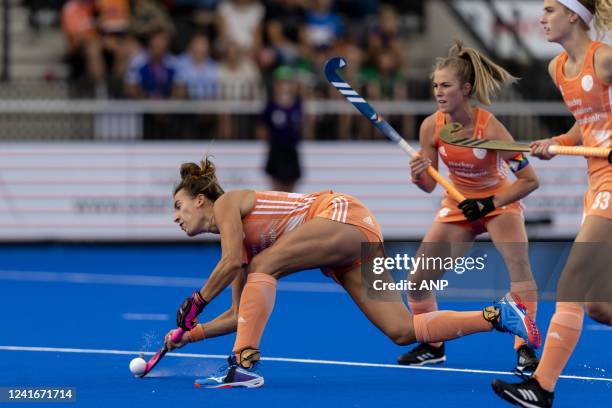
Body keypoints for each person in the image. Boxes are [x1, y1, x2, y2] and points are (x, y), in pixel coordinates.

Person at [162, 157, 539, 388]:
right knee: (402, 331)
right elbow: (239, 315)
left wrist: (197, 300)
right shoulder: (243, 249)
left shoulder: (227, 203)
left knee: (265, 264)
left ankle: (243, 366)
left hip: (341, 216)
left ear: (200, 200)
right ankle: (499, 315)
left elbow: (228, 263)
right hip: (351, 242)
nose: (176, 217)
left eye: (179, 207)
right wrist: (189, 335)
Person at [492, 1, 611, 406]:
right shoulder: (557, 69)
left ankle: (541, 387)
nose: (542, 18)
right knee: (599, 305)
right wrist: (557, 142)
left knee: (571, 284)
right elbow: (588, 123)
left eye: (549, 9)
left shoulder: (606, 60)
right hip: (596, 180)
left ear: (573, 16)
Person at [397, 40, 541, 375]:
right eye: (435, 85)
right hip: (457, 204)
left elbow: (529, 181)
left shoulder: (489, 127)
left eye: (445, 86)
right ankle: (433, 346)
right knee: (417, 282)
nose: (438, 92)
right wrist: (418, 175)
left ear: (465, 89)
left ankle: (525, 350)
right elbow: (430, 185)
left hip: (497, 203)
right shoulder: (431, 126)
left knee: (519, 273)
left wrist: (488, 203)